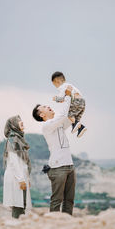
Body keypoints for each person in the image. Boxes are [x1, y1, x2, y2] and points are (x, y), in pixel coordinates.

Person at [32, 87, 76, 215]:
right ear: (42, 115)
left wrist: (73, 99)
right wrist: (67, 97)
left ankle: (66, 225)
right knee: (57, 200)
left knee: (69, 200)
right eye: (44, 107)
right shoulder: (47, 126)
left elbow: (69, 117)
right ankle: (53, 225)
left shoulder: (59, 124)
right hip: (58, 168)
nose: (48, 106)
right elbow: (62, 116)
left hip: (69, 166)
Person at [3, 115, 32, 218]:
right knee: (18, 204)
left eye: (21, 120)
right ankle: (16, 226)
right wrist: (21, 179)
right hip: (16, 177)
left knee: (21, 204)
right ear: (13, 124)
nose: (21, 122)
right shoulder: (13, 139)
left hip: (21, 176)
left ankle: (19, 226)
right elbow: (14, 162)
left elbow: (23, 163)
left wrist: (27, 179)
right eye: (18, 121)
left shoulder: (19, 139)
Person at [52, 71, 87, 138]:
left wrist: (56, 99)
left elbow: (61, 98)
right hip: (82, 102)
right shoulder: (69, 85)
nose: (56, 87)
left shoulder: (62, 87)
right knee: (76, 119)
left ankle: (80, 126)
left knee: (69, 115)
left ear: (57, 82)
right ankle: (80, 128)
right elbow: (65, 97)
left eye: (55, 85)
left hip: (76, 101)